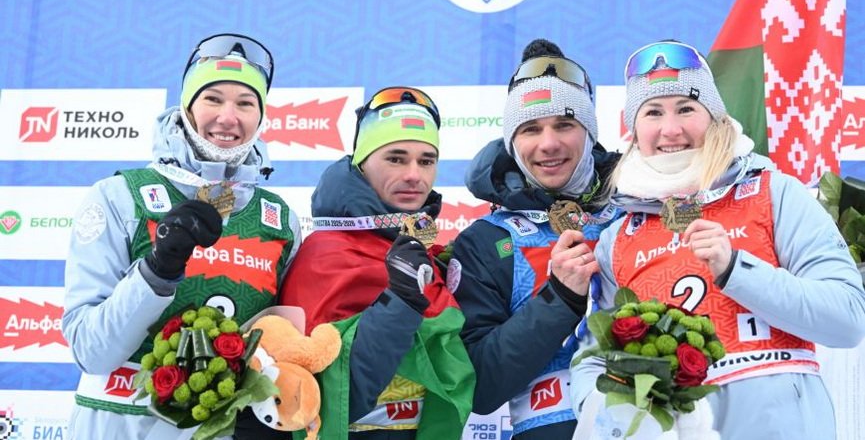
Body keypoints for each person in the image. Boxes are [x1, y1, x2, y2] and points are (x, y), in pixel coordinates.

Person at [569, 40, 865, 439]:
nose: (670, 129)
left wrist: (736, 270)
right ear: (634, 129)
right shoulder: (618, 236)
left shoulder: (775, 194)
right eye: (653, 112)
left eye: (686, 108)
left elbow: (847, 320)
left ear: (715, 118)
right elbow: (594, 356)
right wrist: (601, 409)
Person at [61, 33, 302, 439]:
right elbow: (90, 351)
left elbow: (286, 345)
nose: (228, 117)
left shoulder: (279, 219)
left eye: (246, 103)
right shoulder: (120, 196)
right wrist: (157, 270)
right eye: (212, 99)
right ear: (186, 108)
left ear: (261, 117)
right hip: (119, 426)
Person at [236, 86, 475, 439]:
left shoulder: (429, 254)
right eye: (396, 158)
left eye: (426, 161)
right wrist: (400, 301)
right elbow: (330, 399)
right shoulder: (325, 254)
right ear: (361, 164)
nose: (414, 175)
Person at [451, 39, 622, 439]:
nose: (548, 144)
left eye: (564, 125)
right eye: (531, 129)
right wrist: (559, 299)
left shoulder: (638, 211)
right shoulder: (486, 240)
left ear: (589, 132)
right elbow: (479, 387)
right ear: (512, 142)